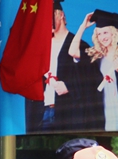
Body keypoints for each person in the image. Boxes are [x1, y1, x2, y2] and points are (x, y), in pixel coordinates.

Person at [27, 1, 103, 132]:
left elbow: (93, 78)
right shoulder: (41, 47)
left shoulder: (79, 45)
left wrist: (69, 87)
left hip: (68, 114)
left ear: (61, 15)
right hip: (43, 112)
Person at [70, 11, 118, 132]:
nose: (102, 37)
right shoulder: (96, 56)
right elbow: (72, 52)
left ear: (113, 33)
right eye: (99, 34)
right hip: (102, 104)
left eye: (105, 32)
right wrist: (82, 27)